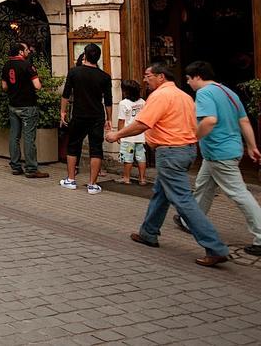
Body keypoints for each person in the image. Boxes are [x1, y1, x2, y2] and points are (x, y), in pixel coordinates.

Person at [106, 63, 229, 267]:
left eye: (148, 75)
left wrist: (117, 135)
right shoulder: (184, 96)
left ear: (160, 77)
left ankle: (215, 247)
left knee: (183, 201)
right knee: (161, 193)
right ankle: (148, 232)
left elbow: (142, 123)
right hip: (186, 149)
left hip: (171, 151)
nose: (145, 79)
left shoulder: (160, 96)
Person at [174, 61, 261, 256]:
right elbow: (244, 120)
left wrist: (192, 139)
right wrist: (252, 146)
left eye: (188, 79)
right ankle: (190, 221)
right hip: (228, 149)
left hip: (219, 152)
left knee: (239, 193)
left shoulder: (204, 93)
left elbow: (209, 120)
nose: (188, 83)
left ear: (197, 76)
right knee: (204, 185)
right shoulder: (228, 92)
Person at [59, 42, 113, 193]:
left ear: (85, 55)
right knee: (96, 148)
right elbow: (108, 100)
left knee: (73, 146)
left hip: (79, 114)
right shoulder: (104, 77)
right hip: (97, 115)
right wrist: (109, 118)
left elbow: (66, 94)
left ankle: (70, 179)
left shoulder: (74, 72)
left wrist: (62, 112)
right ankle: (92, 184)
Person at [1, 42, 49, 179]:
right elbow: (37, 86)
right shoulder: (27, 65)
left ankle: (15, 166)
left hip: (13, 105)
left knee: (14, 136)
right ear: (21, 52)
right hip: (27, 106)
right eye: (27, 49)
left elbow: (4, 86)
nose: (29, 51)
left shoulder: (6, 65)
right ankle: (31, 169)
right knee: (28, 138)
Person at [115, 80, 148, 185]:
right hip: (141, 135)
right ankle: (142, 179)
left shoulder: (123, 103)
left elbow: (121, 120)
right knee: (141, 157)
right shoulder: (143, 102)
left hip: (128, 136)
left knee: (128, 157)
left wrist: (119, 134)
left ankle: (126, 178)